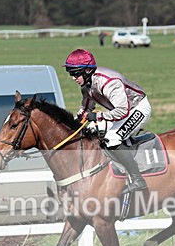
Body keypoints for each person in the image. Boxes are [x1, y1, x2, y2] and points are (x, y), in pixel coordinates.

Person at [63, 48, 151, 192]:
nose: (72, 78)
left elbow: (123, 111)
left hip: (137, 108)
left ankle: (138, 179)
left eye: (75, 73)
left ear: (86, 71)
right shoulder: (86, 85)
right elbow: (86, 110)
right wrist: (71, 125)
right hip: (119, 111)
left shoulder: (109, 83)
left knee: (112, 137)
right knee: (91, 131)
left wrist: (98, 116)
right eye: (70, 74)